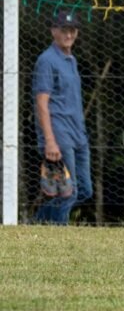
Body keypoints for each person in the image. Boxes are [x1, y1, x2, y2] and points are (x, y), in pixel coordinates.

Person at [31, 11, 93, 225]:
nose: (69, 35)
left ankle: (38, 222)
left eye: (72, 30)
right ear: (53, 31)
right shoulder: (47, 60)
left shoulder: (71, 59)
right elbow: (41, 102)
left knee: (84, 190)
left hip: (78, 134)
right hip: (59, 134)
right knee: (69, 191)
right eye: (64, 30)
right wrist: (50, 141)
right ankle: (58, 232)